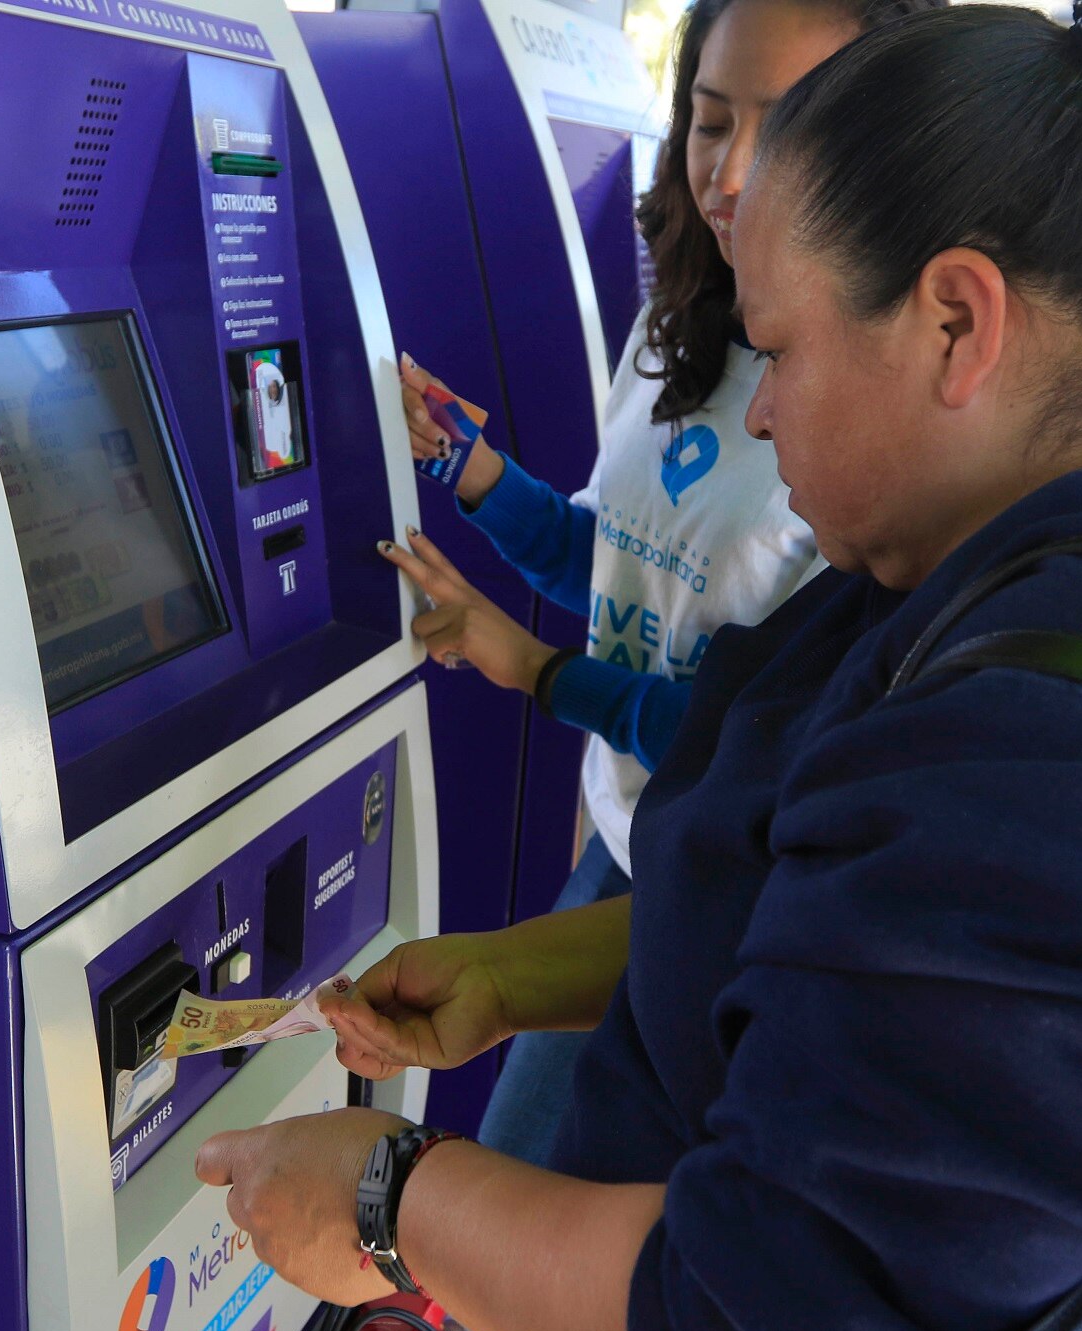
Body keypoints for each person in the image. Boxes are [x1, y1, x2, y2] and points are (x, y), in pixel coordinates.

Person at [199, 4, 1082, 1331]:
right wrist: (524, 977)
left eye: (783, 352)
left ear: (957, 320)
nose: (761, 422)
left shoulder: (1070, 747)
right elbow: (856, 929)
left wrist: (390, 1205)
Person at [382, 0, 940, 1166]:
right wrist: (467, 466)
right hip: (627, 833)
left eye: (783, 129)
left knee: (550, 1210)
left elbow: (742, 729)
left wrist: (534, 670)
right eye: (706, 120)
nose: (729, 176)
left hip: (736, 886)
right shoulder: (672, 325)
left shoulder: (886, 405)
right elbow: (618, 558)